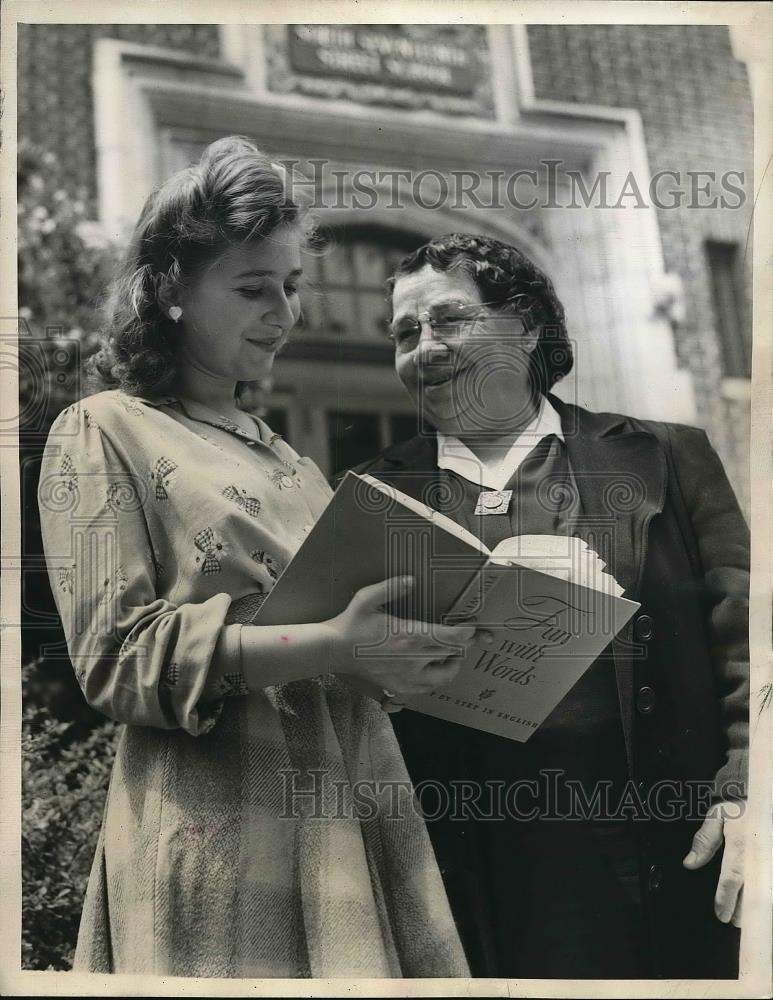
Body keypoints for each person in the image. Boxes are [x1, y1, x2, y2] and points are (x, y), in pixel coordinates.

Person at [37, 138, 478, 978]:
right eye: (251, 288)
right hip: (220, 823)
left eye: (292, 285)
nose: (284, 311)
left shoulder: (289, 459)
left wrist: (406, 658)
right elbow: (117, 661)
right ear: (167, 289)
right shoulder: (102, 430)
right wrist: (335, 645)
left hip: (353, 809)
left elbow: (343, 644)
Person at [351, 233, 750, 979]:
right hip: (477, 879)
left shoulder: (664, 457)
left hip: (667, 857)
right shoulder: (372, 498)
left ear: (528, 326)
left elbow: (749, 647)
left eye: (447, 321)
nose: (423, 349)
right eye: (404, 334)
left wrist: (748, 792)